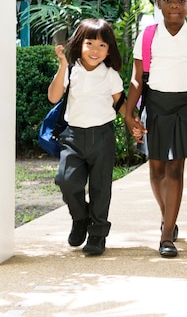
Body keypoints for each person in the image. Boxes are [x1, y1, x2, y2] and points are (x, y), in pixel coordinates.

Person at [125, 0, 187, 258]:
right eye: (168, 0)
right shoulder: (148, 36)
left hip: (184, 107)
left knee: (176, 171)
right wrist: (129, 113)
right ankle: (168, 217)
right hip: (156, 106)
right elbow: (137, 80)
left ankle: (166, 235)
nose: (175, 6)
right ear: (159, 3)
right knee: (156, 170)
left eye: (181, 0)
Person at [49, 18, 127, 255]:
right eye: (90, 43)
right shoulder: (72, 71)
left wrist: (134, 124)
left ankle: (97, 233)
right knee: (66, 180)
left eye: (102, 45)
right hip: (73, 137)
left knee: (101, 188)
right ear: (79, 45)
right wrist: (63, 65)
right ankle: (80, 218)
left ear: (109, 49)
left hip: (102, 135)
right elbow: (54, 97)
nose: (95, 50)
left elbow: (121, 104)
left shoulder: (110, 74)